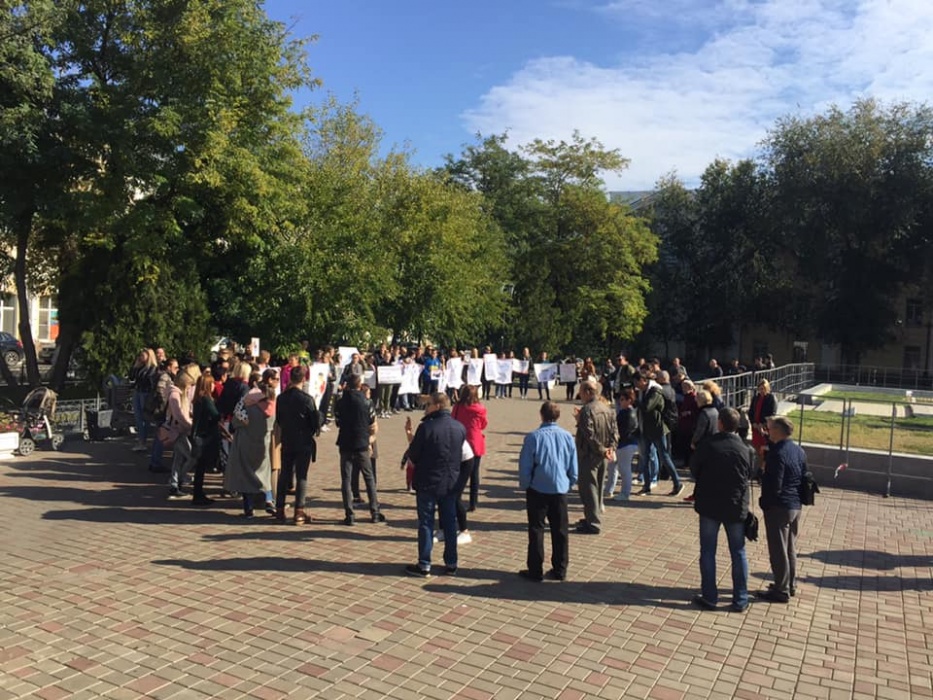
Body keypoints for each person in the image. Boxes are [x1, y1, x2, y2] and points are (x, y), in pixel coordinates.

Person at [690, 408, 754, 613]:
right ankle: (741, 598)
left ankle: (710, 596)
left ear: (720, 424)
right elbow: (751, 473)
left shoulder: (709, 445)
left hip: (710, 504)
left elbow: (694, 469)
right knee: (738, 552)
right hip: (735, 505)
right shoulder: (745, 448)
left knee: (708, 551)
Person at [404, 392, 466, 577]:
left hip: (428, 481)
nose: (426, 407)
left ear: (438, 405)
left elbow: (414, 455)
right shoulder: (459, 427)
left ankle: (424, 563)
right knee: (449, 523)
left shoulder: (427, 427)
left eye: (428, 404)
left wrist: (411, 439)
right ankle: (451, 562)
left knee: (426, 523)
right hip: (450, 482)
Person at [518, 401, 578, 582]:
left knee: (536, 529)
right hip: (559, 488)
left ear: (541, 415)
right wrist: (570, 483)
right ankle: (560, 568)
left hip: (538, 487)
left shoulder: (533, 437)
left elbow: (525, 466)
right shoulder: (567, 436)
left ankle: (535, 570)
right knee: (560, 530)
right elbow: (573, 465)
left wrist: (525, 484)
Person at [757, 416, 806, 603]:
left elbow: (774, 484)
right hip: (795, 504)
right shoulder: (798, 450)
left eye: (770, 428)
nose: (767, 431)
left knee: (778, 549)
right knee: (790, 547)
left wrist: (765, 502)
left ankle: (780, 589)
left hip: (779, 506)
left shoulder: (777, 453)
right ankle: (789, 584)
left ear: (778, 431)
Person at [274, 366, 322, 525]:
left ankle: (279, 509)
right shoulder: (307, 399)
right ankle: (299, 511)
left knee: (285, 474)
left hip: (287, 439)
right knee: (302, 476)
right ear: (304, 379)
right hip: (303, 440)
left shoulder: (281, 398)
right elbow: (314, 423)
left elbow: (279, 419)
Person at [335, 374, 383, 525]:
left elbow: (337, 422)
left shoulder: (340, 402)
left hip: (345, 442)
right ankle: (374, 512)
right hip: (362, 442)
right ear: (360, 384)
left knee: (346, 479)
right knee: (369, 478)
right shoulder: (367, 402)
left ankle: (349, 514)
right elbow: (371, 421)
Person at [223, 380, 276, 517]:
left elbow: (235, 422)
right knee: (265, 475)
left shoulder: (248, 409)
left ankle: (249, 509)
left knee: (245, 476)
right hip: (264, 445)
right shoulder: (273, 410)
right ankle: (269, 500)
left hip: (246, 444)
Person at [573, 379, 618, 534]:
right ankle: (592, 515)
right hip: (603, 455)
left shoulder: (587, 410)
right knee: (597, 487)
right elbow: (615, 432)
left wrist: (601, 449)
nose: (580, 396)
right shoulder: (607, 408)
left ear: (587, 392)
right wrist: (610, 448)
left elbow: (589, 435)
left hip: (590, 455)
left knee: (589, 488)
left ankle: (593, 522)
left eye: (580, 392)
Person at [635, 371, 683, 497]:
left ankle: (677, 483)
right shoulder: (642, 391)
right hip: (645, 428)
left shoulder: (655, 391)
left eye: (637, 382)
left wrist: (635, 401)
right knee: (645, 458)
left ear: (643, 381)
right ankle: (646, 487)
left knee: (664, 457)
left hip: (658, 429)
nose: (635, 385)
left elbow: (647, 407)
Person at [188, 372, 222, 506]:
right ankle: (198, 495)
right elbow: (215, 415)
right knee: (202, 466)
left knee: (200, 468)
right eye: (212, 383)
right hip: (205, 436)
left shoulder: (198, 399)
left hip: (198, 434)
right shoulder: (206, 399)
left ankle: (198, 493)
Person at [605, 388, 638, 502]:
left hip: (625, 444)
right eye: (620, 399)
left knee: (624, 469)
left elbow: (623, 430)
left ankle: (625, 493)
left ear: (629, 400)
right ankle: (609, 489)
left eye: (623, 399)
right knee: (613, 466)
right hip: (623, 443)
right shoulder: (627, 412)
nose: (620, 402)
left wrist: (615, 440)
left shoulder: (627, 413)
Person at [129, 348, 158, 452]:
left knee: (144, 418)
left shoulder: (152, 368)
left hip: (145, 393)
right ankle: (141, 440)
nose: (141, 357)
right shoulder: (140, 367)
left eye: (143, 355)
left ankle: (143, 441)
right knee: (138, 417)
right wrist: (135, 366)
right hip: (138, 392)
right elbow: (132, 376)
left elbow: (148, 380)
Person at [749, 379, 778, 471]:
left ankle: (763, 470)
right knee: (757, 448)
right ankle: (759, 469)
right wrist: (753, 423)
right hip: (755, 427)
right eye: (760, 389)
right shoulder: (755, 398)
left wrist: (762, 424)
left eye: (763, 389)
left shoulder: (771, 398)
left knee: (764, 450)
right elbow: (751, 412)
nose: (761, 391)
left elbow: (772, 414)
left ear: (767, 388)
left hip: (765, 428)